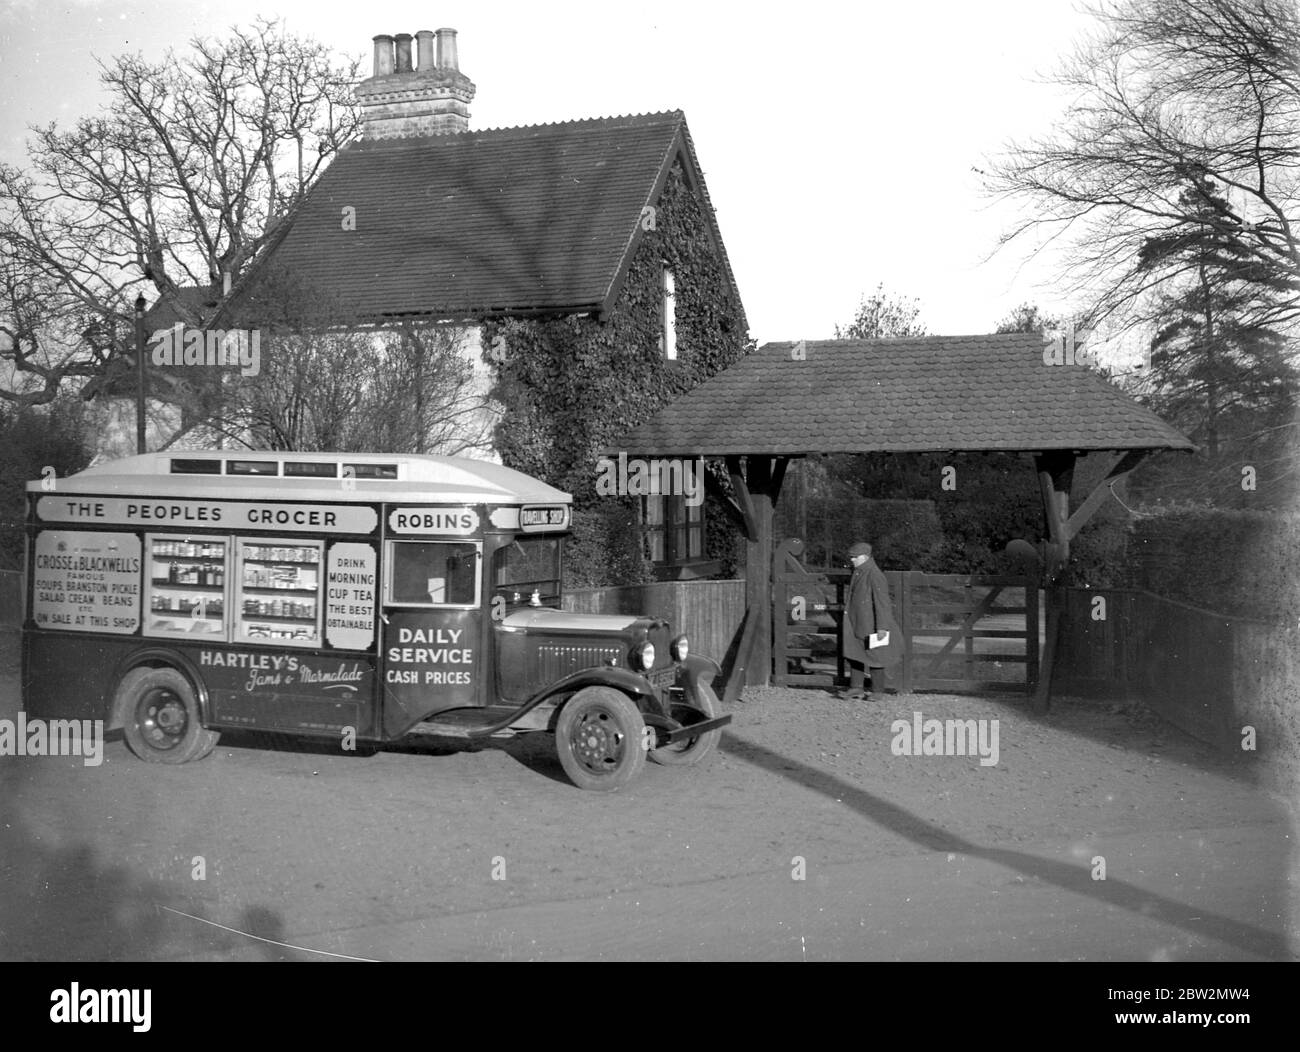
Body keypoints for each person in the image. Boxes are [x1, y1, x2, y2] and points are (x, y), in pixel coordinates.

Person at [840, 541, 900, 700]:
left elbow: (883, 603)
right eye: (851, 557)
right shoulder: (859, 572)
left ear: (865, 557)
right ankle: (856, 688)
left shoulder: (874, 574)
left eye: (855, 557)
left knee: (876, 657)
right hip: (857, 622)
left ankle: (878, 691)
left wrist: (882, 627)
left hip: (870, 625)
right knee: (855, 654)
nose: (852, 560)